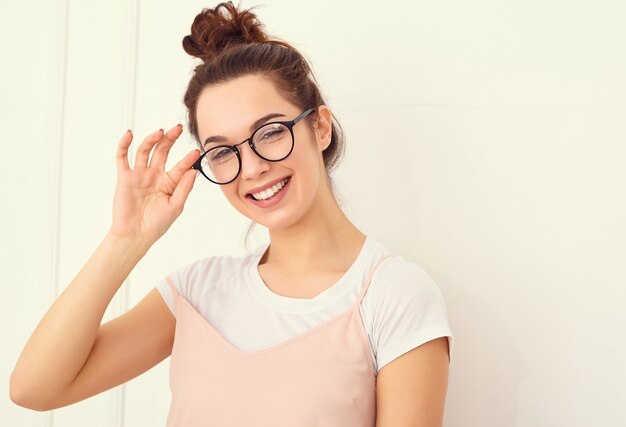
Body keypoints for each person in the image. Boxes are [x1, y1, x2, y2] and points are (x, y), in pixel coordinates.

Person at [10, 2, 455, 426]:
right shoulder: (197, 293)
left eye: (270, 132)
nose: (254, 167)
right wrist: (125, 241)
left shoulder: (393, 295)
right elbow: (34, 389)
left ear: (319, 126)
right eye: (223, 152)